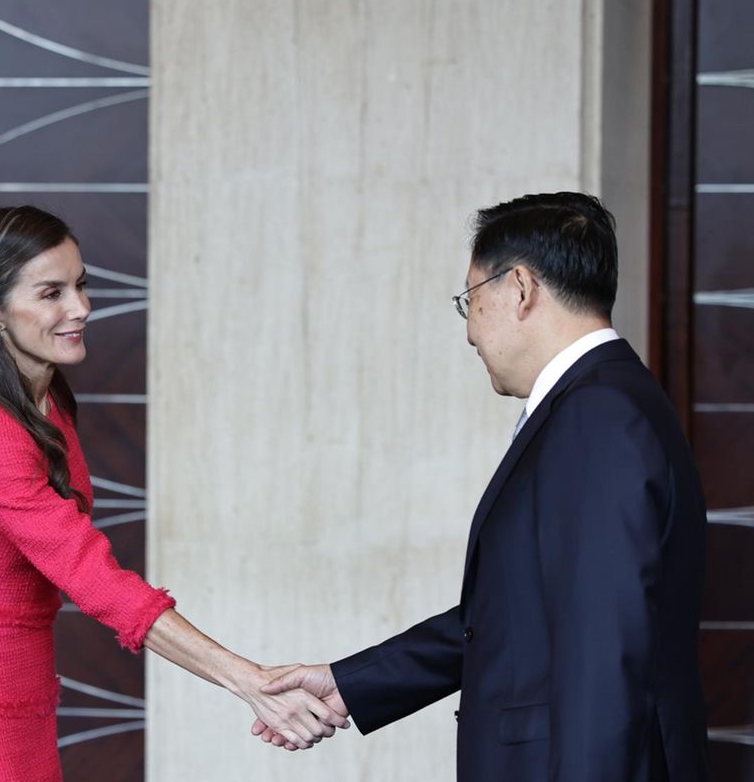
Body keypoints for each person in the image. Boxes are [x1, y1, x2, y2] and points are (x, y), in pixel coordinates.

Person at [258, 193, 709, 780]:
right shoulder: (605, 402)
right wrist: (351, 683)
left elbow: (604, 651)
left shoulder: (598, 416)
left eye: (469, 299)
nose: (470, 331)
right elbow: (511, 618)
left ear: (519, 288)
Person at [0, 206, 348, 781]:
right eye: (51, 293)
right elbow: (92, 575)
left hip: (23, 705)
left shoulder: (46, 404)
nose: (80, 308)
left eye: (80, 285)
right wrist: (248, 679)